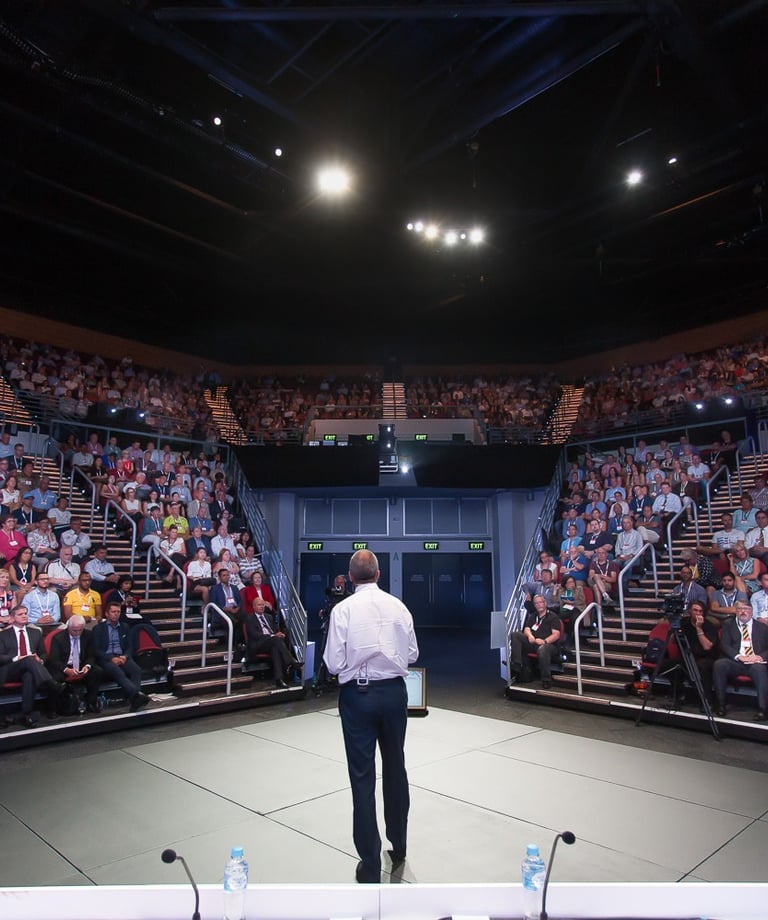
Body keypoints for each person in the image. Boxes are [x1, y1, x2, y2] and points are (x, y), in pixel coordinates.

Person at [323, 549, 419, 884]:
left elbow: (334, 664)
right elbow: (412, 653)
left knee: (362, 778)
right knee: (396, 767)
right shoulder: (399, 606)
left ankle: (368, 861)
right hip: (394, 694)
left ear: (350, 578)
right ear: (379, 574)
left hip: (358, 697)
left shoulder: (342, 609)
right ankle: (400, 845)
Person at [0, 604, 63, 727]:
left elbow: (44, 653)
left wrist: (40, 660)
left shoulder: (35, 632)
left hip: (31, 668)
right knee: (28, 659)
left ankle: (26, 714)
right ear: (12, 618)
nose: (24, 616)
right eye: (20, 614)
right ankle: (51, 684)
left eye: (25, 613)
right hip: (10, 669)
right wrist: (16, 658)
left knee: (29, 675)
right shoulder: (3, 635)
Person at [712, 599, 768, 720]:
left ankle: (763, 709)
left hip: (755, 663)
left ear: (752, 611)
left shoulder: (762, 627)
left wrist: (760, 656)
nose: (743, 612)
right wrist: (738, 656)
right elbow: (724, 645)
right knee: (720, 664)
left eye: (747, 609)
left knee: (760, 669)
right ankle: (720, 705)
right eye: (740, 609)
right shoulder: (728, 624)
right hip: (736, 662)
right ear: (736, 611)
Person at [92, 601, 150, 712]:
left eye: (118, 612)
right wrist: (111, 658)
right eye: (113, 612)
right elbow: (96, 650)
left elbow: (130, 646)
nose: (116, 614)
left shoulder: (125, 627)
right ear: (107, 614)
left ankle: (134, 700)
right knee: (117, 671)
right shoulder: (98, 629)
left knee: (135, 669)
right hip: (106, 658)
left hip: (121, 656)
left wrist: (125, 656)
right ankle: (136, 695)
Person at [46, 614, 104, 714]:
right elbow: (53, 660)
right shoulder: (58, 638)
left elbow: (91, 655)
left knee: (97, 671)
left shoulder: (88, 635)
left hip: (81, 664)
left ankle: (91, 703)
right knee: (55, 678)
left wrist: (87, 666)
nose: (77, 633)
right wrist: (67, 670)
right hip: (63, 666)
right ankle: (52, 709)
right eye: (74, 630)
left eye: (79, 630)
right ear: (69, 627)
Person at [242, 595, 299, 689]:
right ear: (254, 607)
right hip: (257, 645)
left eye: (263, 604)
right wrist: (273, 636)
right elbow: (255, 636)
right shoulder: (249, 619)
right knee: (275, 640)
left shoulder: (269, 617)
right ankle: (291, 661)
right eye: (259, 605)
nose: (262, 606)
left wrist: (279, 634)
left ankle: (279, 680)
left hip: (271, 643)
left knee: (275, 648)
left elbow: (275, 631)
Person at [509, 593, 562, 690]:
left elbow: (556, 634)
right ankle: (516, 665)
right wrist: (530, 636)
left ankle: (546, 679)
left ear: (545, 603)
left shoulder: (553, 617)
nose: (538, 605)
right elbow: (526, 628)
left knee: (543, 649)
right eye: (536, 603)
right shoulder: (533, 616)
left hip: (549, 645)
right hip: (533, 642)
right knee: (515, 635)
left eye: (540, 602)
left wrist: (544, 641)